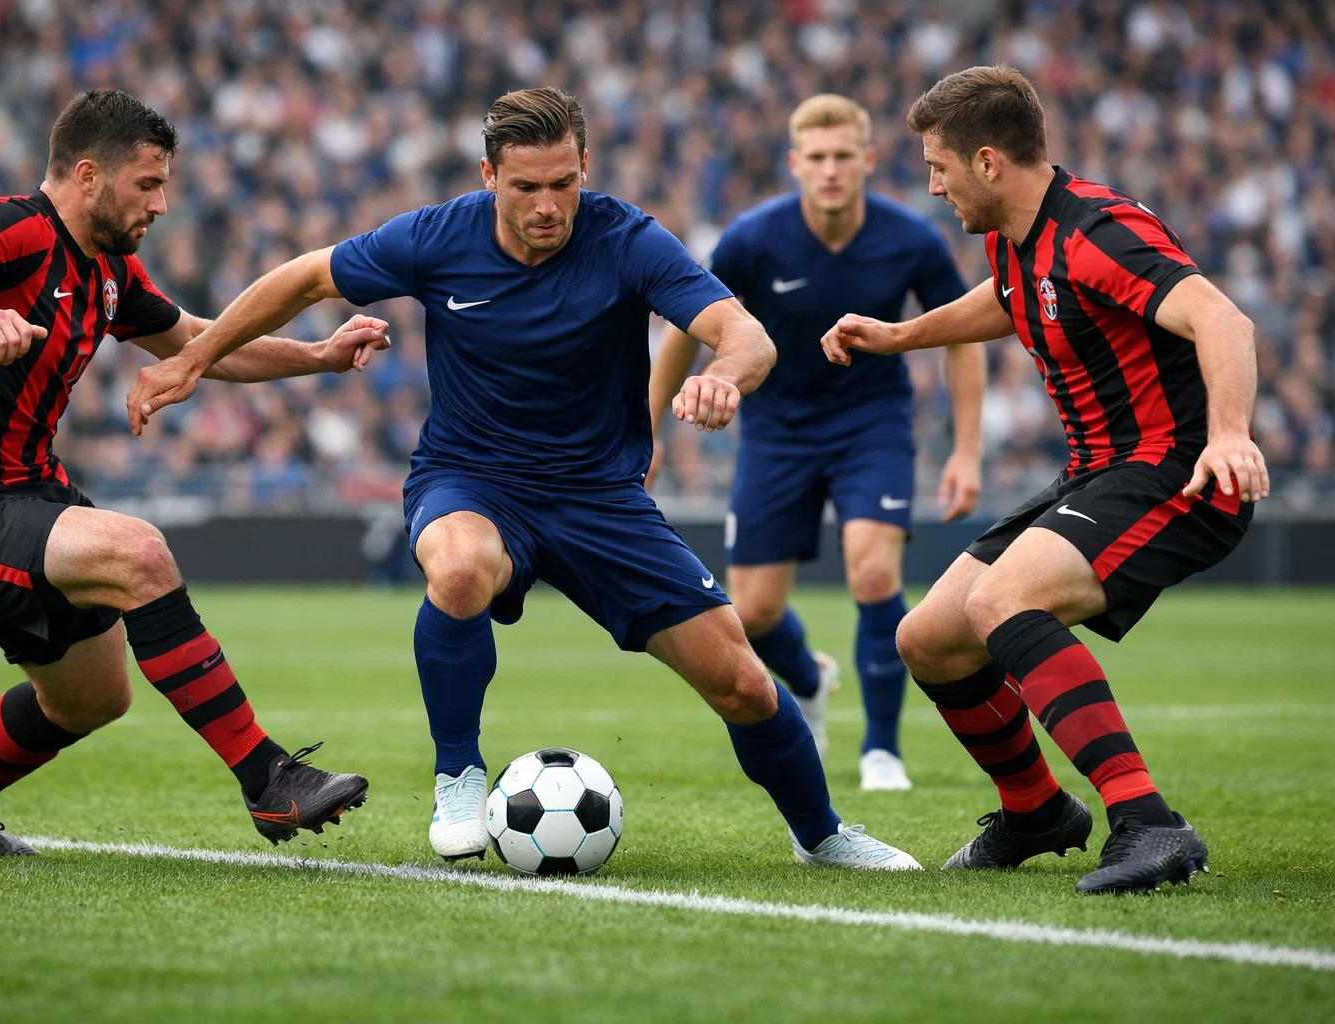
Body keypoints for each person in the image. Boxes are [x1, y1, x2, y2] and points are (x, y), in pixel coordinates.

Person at [128, 87, 920, 871]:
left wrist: (724, 377)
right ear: (488, 176)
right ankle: (458, 776)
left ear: (586, 166)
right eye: (526, 187)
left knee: (743, 683)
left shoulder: (628, 239)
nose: (547, 206)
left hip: (600, 498)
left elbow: (745, 334)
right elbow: (304, 279)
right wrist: (195, 358)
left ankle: (822, 835)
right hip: (471, 481)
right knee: (459, 567)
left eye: (563, 184)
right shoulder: (437, 236)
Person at [0, 89, 385, 856]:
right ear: (88, 175)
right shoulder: (17, 229)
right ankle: (269, 780)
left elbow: (201, 343)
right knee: (137, 552)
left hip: (26, 495)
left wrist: (318, 355)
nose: (162, 204)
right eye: (148, 185)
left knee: (92, 698)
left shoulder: (110, 270)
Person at [823, 66, 1267, 894]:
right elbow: (1010, 297)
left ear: (988, 162)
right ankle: (1036, 813)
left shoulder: (1100, 230)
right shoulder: (1016, 236)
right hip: (1097, 472)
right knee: (928, 639)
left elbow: (1222, 319)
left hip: (1177, 468)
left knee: (1003, 601)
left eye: (939, 167)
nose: (934, 185)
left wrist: (1230, 434)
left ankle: (1149, 823)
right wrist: (900, 336)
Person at [648, 95, 983, 791]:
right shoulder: (750, 240)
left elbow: (964, 334)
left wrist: (967, 449)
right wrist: (644, 430)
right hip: (777, 429)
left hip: (873, 425)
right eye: (818, 158)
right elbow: (685, 325)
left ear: (867, 161)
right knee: (753, 611)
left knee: (873, 571)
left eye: (843, 157)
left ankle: (881, 751)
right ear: (795, 163)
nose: (831, 170)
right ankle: (809, 678)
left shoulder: (911, 239)